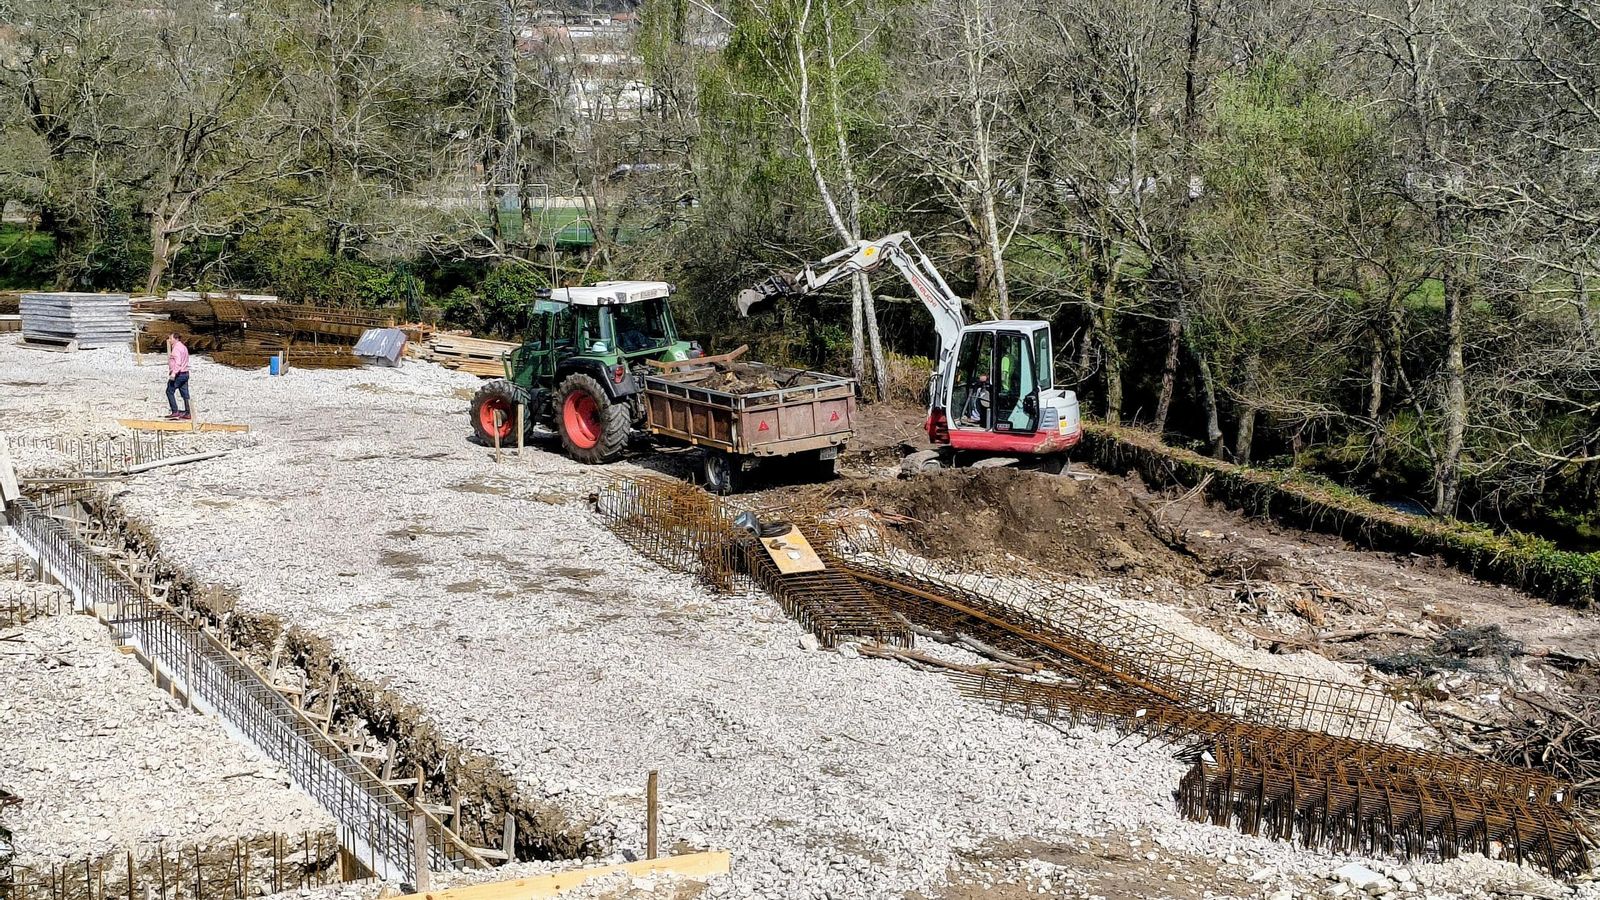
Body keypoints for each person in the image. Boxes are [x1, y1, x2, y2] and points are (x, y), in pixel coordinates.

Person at [165, 334, 191, 420]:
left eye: (170, 338)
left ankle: (175, 411)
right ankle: (188, 412)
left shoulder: (176, 349)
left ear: (175, 339)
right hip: (185, 373)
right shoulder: (183, 347)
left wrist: (173, 374)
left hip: (179, 374)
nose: (169, 340)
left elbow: (178, 363)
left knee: (169, 391)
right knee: (185, 394)